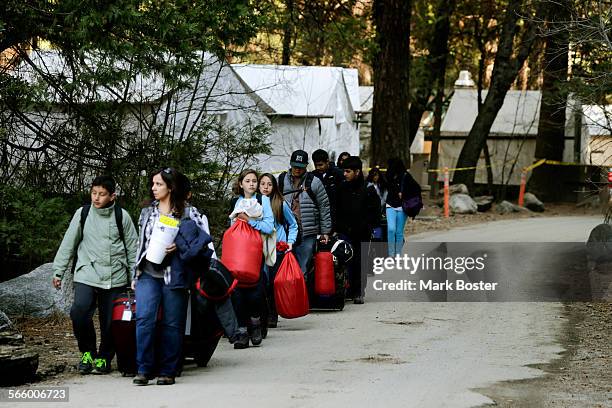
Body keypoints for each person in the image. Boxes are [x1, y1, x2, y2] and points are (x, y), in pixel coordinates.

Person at [131, 167, 211, 386]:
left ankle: (168, 370)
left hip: (175, 274)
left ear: (171, 187)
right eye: (153, 184)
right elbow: (140, 245)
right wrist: (134, 274)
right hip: (148, 272)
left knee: (173, 324)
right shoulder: (148, 213)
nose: (153, 188)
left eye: (158, 184)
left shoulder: (188, 212)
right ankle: (144, 369)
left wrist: (180, 245)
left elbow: (203, 240)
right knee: (144, 318)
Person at [52, 175, 138, 375]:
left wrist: (135, 276)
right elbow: (68, 243)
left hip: (115, 275)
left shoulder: (121, 216)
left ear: (112, 196)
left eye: (102, 194)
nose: (96, 198)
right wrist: (58, 270)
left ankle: (104, 358)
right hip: (87, 273)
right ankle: (87, 353)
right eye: (94, 193)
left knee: (110, 321)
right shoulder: (82, 214)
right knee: (79, 312)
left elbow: (132, 249)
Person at [229, 169, 275, 349]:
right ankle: (241, 331)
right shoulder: (235, 202)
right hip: (238, 253)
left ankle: (256, 323)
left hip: (256, 252)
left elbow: (269, 225)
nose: (251, 184)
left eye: (254, 181)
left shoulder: (262, 200)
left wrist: (249, 221)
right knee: (237, 292)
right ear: (241, 184)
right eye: (247, 181)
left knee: (255, 291)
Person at [277, 150, 332, 277]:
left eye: (300, 167)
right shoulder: (280, 180)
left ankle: (302, 294)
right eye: (295, 166)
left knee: (303, 269)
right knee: (283, 268)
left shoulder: (315, 182)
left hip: (307, 232)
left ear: (306, 166)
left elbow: (324, 207)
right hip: (284, 232)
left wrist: (325, 232)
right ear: (290, 164)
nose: (297, 169)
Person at [335, 157, 380, 304]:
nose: (345, 174)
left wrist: (367, 225)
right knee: (345, 261)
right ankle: (346, 289)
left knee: (360, 261)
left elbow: (375, 212)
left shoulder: (368, 189)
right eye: (344, 171)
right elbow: (336, 209)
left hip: (362, 233)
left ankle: (359, 291)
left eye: (348, 171)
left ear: (357, 172)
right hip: (344, 232)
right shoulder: (342, 187)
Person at [258, 173, 298, 327]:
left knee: (274, 282)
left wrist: (289, 242)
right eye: (263, 184)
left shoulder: (280, 203)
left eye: (269, 184)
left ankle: (272, 315)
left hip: (278, 249)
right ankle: (262, 314)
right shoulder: (254, 203)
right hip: (259, 248)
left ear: (274, 187)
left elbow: (293, 224)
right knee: (262, 282)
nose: (266, 187)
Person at [385, 158, 419, 256]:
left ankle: (398, 254)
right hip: (390, 205)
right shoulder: (388, 175)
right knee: (391, 229)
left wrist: (405, 194)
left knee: (399, 232)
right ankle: (391, 254)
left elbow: (416, 189)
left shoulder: (406, 176)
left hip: (403, 207)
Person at [312, 149, 344, 231]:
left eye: (320, 165)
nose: (318, 168)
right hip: (319, 219)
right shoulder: (312, 176)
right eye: (316, 165)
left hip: (336, 217)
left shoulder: (339, 174)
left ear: (327, 161)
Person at [366, 167, 388, 241]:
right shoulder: (367, 185)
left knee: (377, 235)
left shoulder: (383, 185)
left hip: (379, 213)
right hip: (369, 213)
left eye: (377, 175)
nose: (375, 177)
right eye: (374, 175)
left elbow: (384, 199)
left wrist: (378, 205)